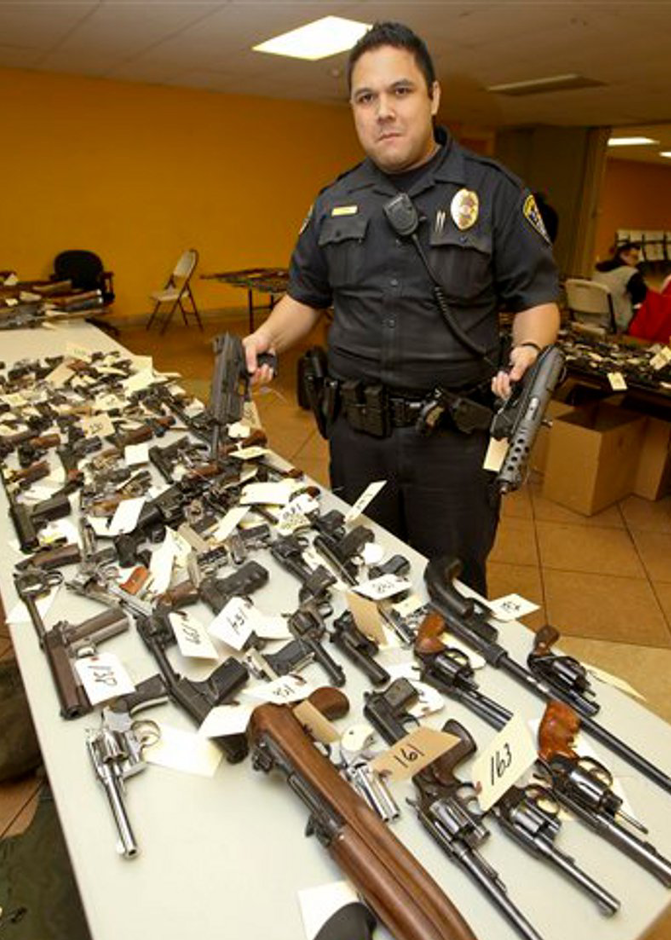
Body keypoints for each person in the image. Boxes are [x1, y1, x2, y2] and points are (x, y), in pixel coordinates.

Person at [243, 22, 559, 595]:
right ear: (354, 109)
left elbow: (537, 299)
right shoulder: (335, 200)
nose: (383, 110)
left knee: (451, 589)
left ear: (434, 97)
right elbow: (305, 296)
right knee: (362, 575)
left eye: (401, 91)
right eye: (366, 97)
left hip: (455, 444)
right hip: (356, 438)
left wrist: (529, 351)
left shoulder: (494, 194)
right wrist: (265, 337)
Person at [592, 240, 647, 332]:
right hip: (615, 323)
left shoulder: (598, 270)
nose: (636, 262)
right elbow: (644, 296)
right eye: (634, 257)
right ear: (623, 255)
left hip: (590, 318)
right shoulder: (630, 274)